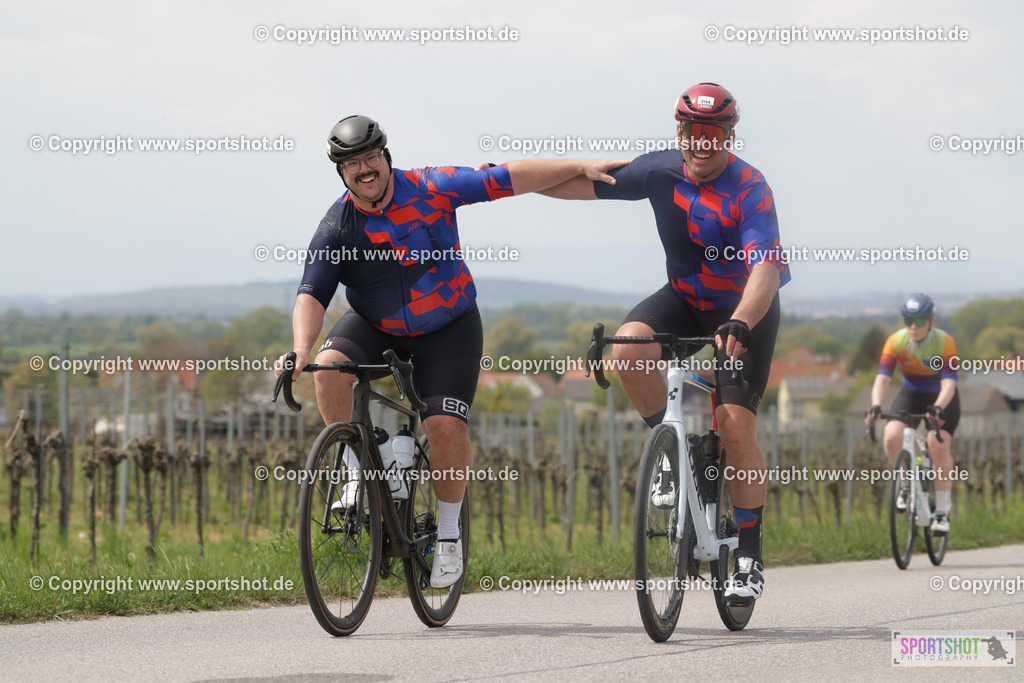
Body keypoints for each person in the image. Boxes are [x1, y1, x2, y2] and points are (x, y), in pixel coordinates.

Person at [279, 115, 625, 589]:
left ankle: (447, 534)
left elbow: (507, 177)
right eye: (352, 163)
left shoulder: (431, 188)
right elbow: (311, 294)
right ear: (341, 173)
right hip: (379, 325)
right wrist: (300, 349)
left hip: (449, 328)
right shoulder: (337, 225)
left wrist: (580, 164)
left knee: (443, 425)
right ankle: (357, 470)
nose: (364, 169)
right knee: (328, 368)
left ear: (386, 157)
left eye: (371, 157)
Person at [542, 83, 790, 605]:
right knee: (628, 348)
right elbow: (580, 185)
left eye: (713, 133)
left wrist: (742, 321)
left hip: (745, 310)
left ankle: (748, 549)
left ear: (729, 135)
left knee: (735, 425)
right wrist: (526, 183)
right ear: (679, 132)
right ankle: (673, 457)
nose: (702, 143)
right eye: (692, 131)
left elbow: (765, 268)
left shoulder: (750, 187)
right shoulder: (659, 170)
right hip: (683, 298)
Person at [865, 293, 958, 534]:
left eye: (919, 321)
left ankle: (942, 512)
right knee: (891, 436)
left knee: (937, 445)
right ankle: (906, 483)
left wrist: (938, 406)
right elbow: (883, 378)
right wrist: (876, 404)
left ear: (931, 321)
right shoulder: (896, 341)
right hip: (912, 394)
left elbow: (949, 382)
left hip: (942, 396)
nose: (913, 327)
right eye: (908, 321)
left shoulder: (945, 342)